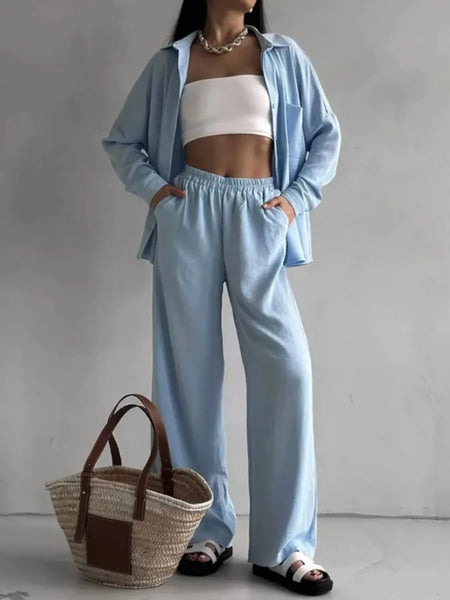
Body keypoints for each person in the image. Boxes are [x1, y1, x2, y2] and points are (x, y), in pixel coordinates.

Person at [101, 0, 341, 595]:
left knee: (288, 371)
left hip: (261, 214)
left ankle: (284, 547)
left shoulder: (282, 56)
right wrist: (160, 196)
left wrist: (292, 202)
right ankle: (203, 528)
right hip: (191, 215)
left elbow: (325, 136)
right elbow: (122, 141)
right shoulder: (171, 63)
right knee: (188, 375)